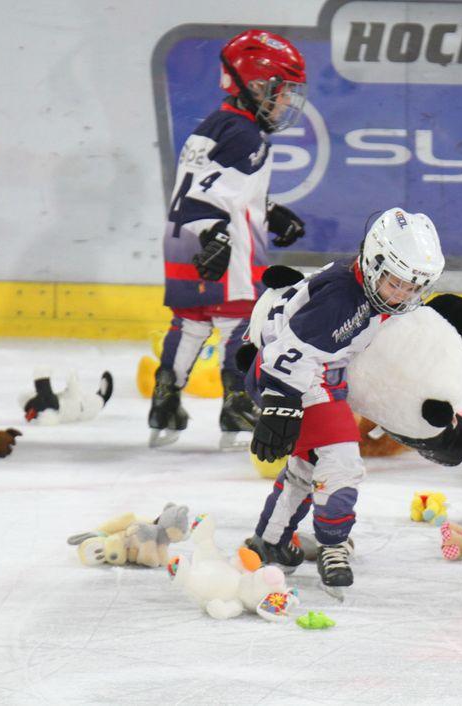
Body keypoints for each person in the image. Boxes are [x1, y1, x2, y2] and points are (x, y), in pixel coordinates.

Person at [244, 208, 446, 593]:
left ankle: (270, 541)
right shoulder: (342, 300)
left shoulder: (363, 287)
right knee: (342, 464)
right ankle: (333, 545)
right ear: (373, 264)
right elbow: (290, 353)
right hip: (291, 379)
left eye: (412, 287)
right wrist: (280, 404)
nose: (403, 295)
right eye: (395, 283)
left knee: (306, 468)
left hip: (312, 376)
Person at [148, 29, 309, 449]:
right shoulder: (246, 135)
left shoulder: (213, 126)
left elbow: (219, 186)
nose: (286, 102)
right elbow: (213, 194)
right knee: (243, 322)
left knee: (190, 322)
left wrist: (270, 212)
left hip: (182, 242)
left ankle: (165, 398)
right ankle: (237, 403)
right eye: (281, 91)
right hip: (221, 247)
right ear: (254, 86)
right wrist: (217, 237)